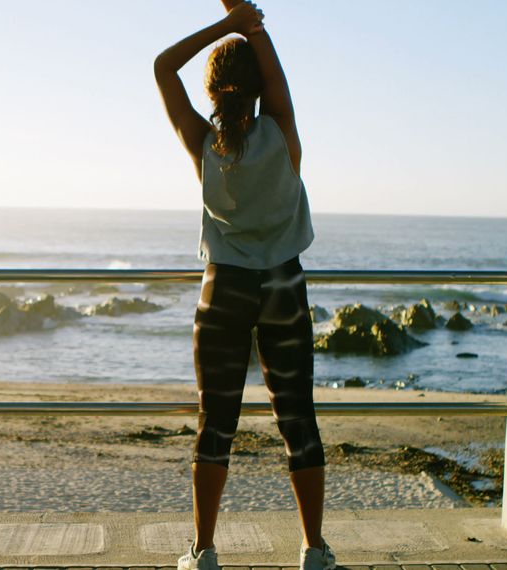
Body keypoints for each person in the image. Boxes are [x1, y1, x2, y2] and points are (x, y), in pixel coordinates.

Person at [153, 2, 334, 569]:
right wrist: (249, 26)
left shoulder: (203, 143)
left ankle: (203, 551)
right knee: (297, 417)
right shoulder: (281, 133)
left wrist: (225, 25)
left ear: (213, 88)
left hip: (223, 288)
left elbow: (162, 66)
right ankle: (313, 549)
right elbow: (275, 75)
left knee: (216, 423)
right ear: (258, 87)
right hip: (283, 283)